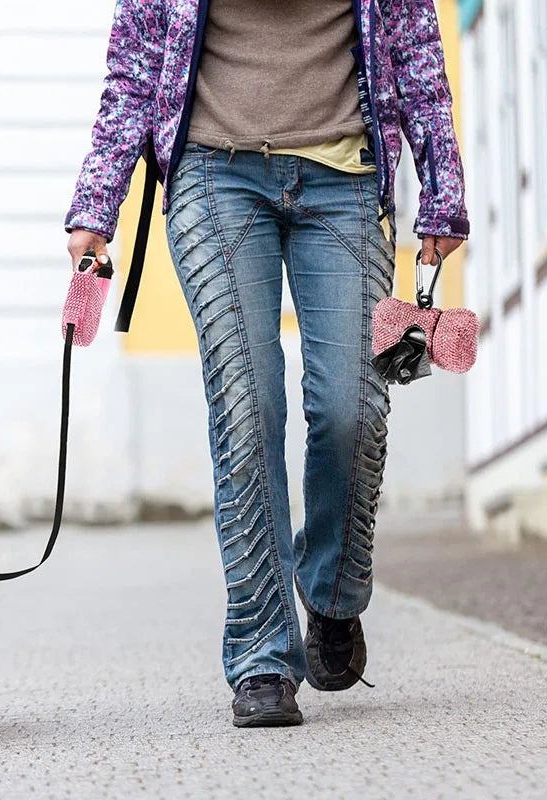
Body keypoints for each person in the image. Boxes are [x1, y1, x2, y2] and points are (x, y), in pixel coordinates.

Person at [64, 0, 469, 727]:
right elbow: (131, 68)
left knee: (354, 408)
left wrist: (442, 197)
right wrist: (97, 203)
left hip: (345, 176)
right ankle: (261, 655)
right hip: (213, 181)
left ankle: (335, 594)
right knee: (247, 406)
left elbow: (418, 57)